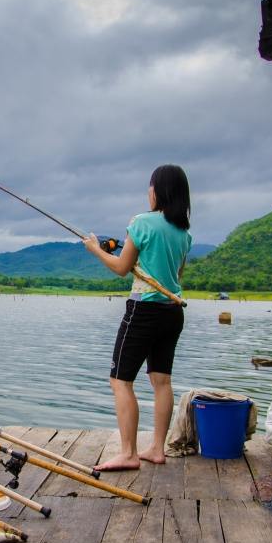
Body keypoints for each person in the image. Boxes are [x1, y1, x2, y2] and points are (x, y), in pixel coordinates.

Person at [82, 164, 192, 471]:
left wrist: (94, 249)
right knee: (161, 381)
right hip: (172, 313)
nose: (148, 191)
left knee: (120, 380)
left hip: (143, 310)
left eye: (150, 185)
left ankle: (129, 453)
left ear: (159, 190)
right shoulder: (184, 234)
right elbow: (174, 275)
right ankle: (157, 448)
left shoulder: (141, 222)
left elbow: (120, 267)